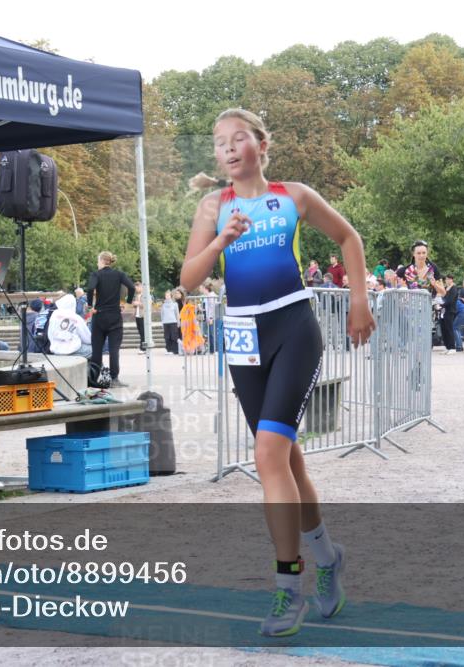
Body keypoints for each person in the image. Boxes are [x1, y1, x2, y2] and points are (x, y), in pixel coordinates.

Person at [181, 108, 375, 637]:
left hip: (293, 325)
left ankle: (289, 589)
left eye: (238, 138)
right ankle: (330, 557)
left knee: (267, 453)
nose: (227, 148)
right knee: (287, 460)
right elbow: (189, 278)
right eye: (219, 142)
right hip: (243, 336)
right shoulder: (212, 206)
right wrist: (221, 242)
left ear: (261, 146)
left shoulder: (294, 195)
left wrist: (359, 302)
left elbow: (349, 238)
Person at [86, 250, 136, 388]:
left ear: (102, 260)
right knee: (114, 350)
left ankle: (94, 379)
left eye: (97, 260)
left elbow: (90, 288)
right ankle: (114, 379)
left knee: (97, 349)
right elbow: (131, 287)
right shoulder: (119, 274)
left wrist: (90, 306)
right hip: (115, 315)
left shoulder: (96, 274)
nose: (97, 263)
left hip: (100, 315)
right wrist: (127, 302)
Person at [47, 293, 93, 358]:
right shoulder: (76, 317)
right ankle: (93, 368)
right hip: (73, 350)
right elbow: (87, 338)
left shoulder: (54, 315)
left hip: (56, 349)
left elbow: (50, 333)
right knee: (94, 350)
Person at [437, 276, 458, 354]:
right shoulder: (446, 288)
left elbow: (450, 300)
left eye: (448, 279)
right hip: (443, 311)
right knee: (444, 329)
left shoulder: (454, 288)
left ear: (452, 280)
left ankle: (452, 347)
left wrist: (441, 305)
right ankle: (447, 346)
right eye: (446, 279)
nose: (447, 280)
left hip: (450, 311)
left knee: (449, 329)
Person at [200, 281, 219, 353]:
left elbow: (212, 308)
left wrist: (211, 318)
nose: (202, 290)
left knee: (212, 334)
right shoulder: (207, 296)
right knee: (210, 334)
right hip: (209, 317)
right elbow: (208, 308)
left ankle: (215, 350)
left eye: (203, 289)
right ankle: (212, 350)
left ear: (206, 289)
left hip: (213, 318)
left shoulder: (211, 296)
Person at [160, 290, 180, 354]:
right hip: (165, 322)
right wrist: (162, 323)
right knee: (167, 337)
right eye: (166, 295)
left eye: (168, 295)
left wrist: (178, 322)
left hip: (173, 322)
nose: (167, 296)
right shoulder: (163, 305)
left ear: (171, 296)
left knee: (174, 336)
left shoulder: (175, 304)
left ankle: (174, 350)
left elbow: (177, 314)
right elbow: (162, 314)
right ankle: (168, 349)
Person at [133, 282, 151, 352]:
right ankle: (142, 347)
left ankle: (143, 348)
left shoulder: (146, 295)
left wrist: (138, 303)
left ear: (141, 287)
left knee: (144, 333)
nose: (136, 289)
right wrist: (134, 304)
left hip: (143, 316)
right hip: (138, 316)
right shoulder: (137, 296)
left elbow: (147, 305)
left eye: (137, 288)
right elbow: (136, 305)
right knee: (141, 332)